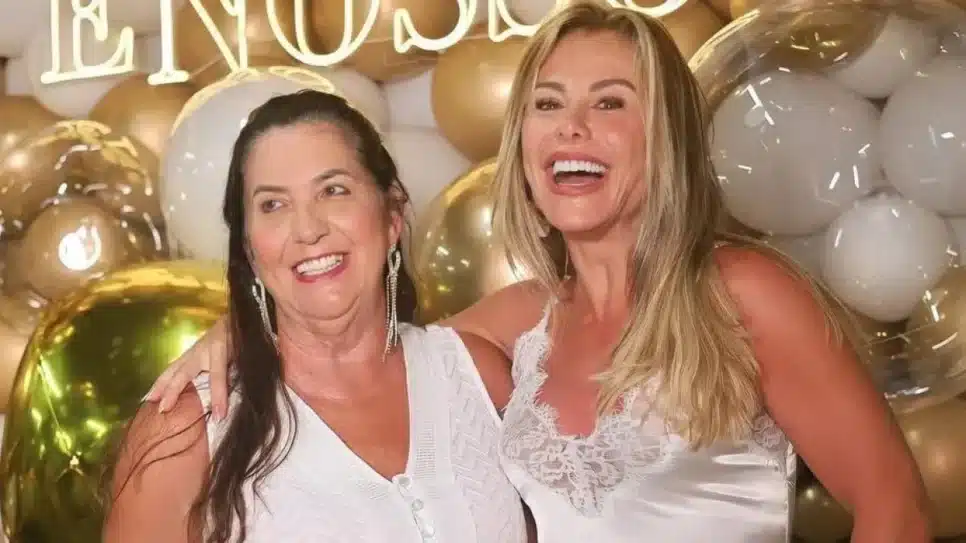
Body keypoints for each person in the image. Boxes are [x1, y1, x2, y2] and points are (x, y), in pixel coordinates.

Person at [145, 2, 933, 541]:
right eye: (548, 105)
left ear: (665, 135)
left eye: (610, 103)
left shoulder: (742, 294)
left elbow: (895, 508)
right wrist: (241, 326)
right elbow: (352, 344)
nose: (572, 129)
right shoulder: (521, 323)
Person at [105, 90, 529, 542]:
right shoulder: (184, 434)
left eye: (333, 191)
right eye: (273, 205)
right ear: (249, 249)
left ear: (391, 216)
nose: (308, 229)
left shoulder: (479, 375)